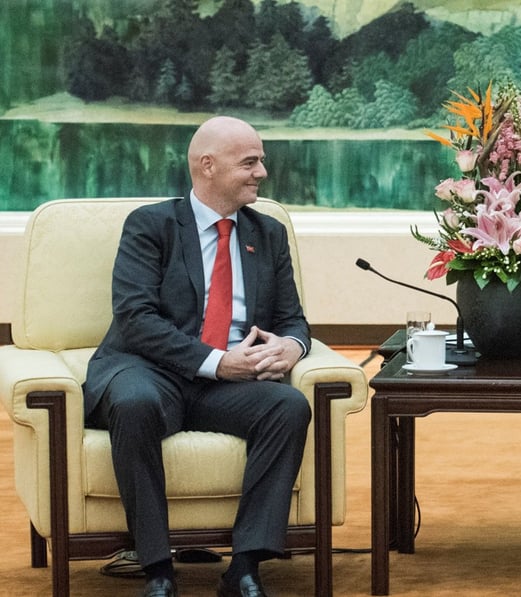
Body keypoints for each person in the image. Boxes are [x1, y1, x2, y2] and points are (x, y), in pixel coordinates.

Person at [83, 116, 311, 597]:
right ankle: (158, 569)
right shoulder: (151, 225)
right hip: (150, 370)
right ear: (207, 166)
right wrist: (217, 361)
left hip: (228, 387)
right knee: (134, 403)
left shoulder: (266, 233)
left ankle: (246, 566)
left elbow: (292, 319)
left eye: (261, 161)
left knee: (288, 406)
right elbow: (136, 319)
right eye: (249, 162)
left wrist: (292, 347)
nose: (261, 173)